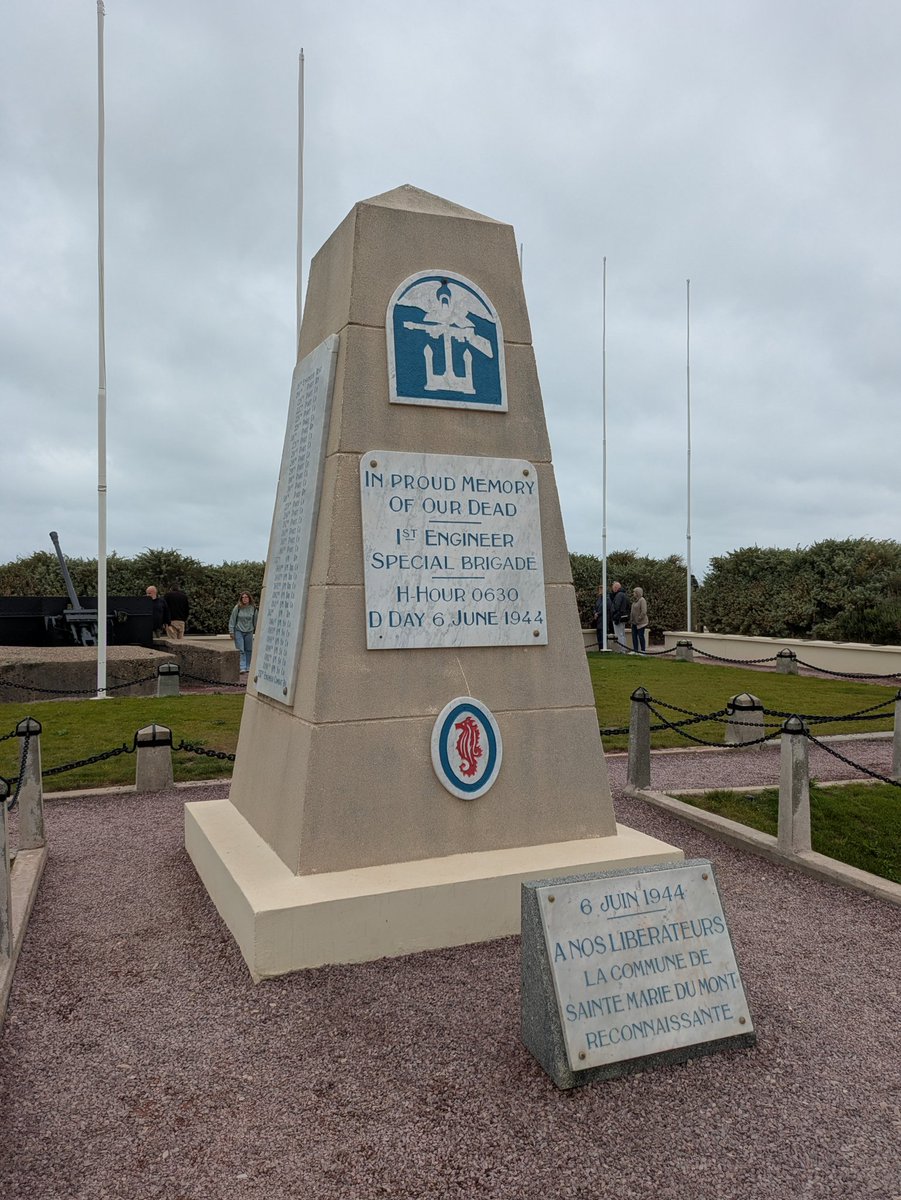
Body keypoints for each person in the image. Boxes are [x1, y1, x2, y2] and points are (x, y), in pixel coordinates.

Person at [229, 591, 257, 673]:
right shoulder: (237, 608)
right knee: (241, 649)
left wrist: (257, 632)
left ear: (249, 598)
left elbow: (255, 621)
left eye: (246, 597)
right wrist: (231, 631)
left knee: (249, 649)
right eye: (243, 597)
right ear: (241, 599)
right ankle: (242, 667)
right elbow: (232, 620)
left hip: (249, 631)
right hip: (238, 630)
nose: (245, 599)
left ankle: (248, 666)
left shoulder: (253, 608)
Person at [610, 581, 630, 651]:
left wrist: (615, 615)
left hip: (618, 617)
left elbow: (616, 606)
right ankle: (624, 648)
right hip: (623, 617)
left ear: (616, 588)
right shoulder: (624, 595)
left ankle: (622, 649)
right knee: (622, 633)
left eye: (613, 588)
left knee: (619, 634)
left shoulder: (619, 595)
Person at [630, 586, 649, 654]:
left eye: (634, 592)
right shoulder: (635, 601)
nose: (633, 593)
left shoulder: (642, 600)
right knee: (634, 636)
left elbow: (644, 611)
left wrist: (639, 618)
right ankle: (635, 650)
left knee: (641, 636)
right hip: (634, 622)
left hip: (641, 622)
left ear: (638, 593)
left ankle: (643, 650)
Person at [593, 585, 609, 650]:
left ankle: (603, 647)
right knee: (599, 634)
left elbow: (605, 608)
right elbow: (595, 607)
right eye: (599, 589)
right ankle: (600, 648)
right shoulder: (599, 598)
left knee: (602, 634)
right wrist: (594, 613)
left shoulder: (607, 598)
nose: (599, 591)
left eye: (601, 589)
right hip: (598, 620)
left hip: (603, 619)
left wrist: (598, 613)